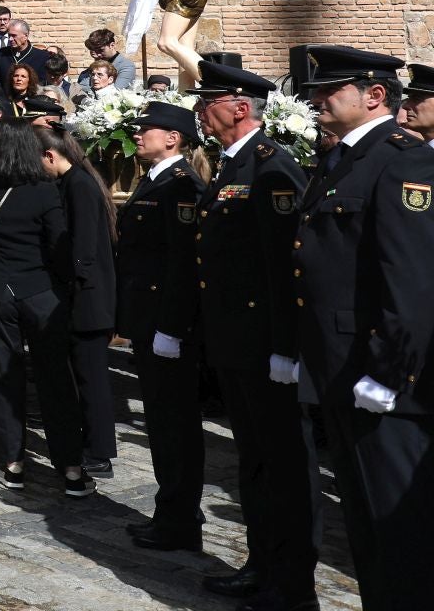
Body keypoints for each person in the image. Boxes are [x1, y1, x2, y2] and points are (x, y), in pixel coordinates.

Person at [292, 45, 434, 611]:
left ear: (375, 95)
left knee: (399, 531)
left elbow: (413, 283)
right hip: (339, 369)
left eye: (331, 89)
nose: (317, 98)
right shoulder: (343, 158)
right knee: (365, 526)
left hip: (379, 380)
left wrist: (388, 374)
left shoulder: (402, 161)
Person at [188, 60, 319, 609]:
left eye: (208, 101)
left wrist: (285, 348)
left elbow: (287, 266)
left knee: (283, 465)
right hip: (236, 342)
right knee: (255, 461)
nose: (200, 110)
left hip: (265, 346)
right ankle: (262, 564)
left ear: (241, 107)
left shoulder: (271, 167)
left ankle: (292, 584)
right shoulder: (232, 165)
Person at [0, 120, 93, 498]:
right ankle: (71, 467)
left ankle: (13, 462)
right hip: (40, 292)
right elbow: (59, 246)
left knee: (4, 379)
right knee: (56, 381)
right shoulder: (45, 190)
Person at [118, 101, 205, 552]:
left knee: (175, 424)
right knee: (161, 422)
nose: (138, 135)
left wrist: (171, 328)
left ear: (172, 138)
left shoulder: (180, 185)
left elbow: (183, 264)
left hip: (165, 326)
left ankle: (180, 518)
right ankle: (170, 510)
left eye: (146, 129)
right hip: (148, 319)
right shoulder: (154, 180)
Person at [33, 124, 119, 475]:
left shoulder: (79, 185)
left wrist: (68, 282)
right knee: (82, 376)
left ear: (50, 156)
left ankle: (100, 451)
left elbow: (83, 247)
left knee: (91, 379)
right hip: (80, 295)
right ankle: (88, 442)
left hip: (88, 299)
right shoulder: (70, 182)